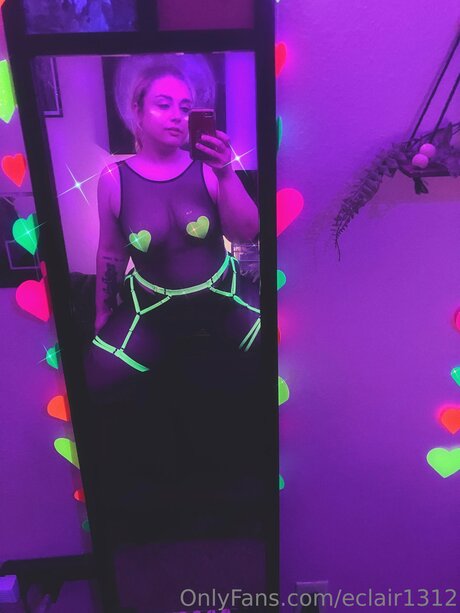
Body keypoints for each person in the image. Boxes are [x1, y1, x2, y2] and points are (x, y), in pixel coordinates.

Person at [83, 63, 261, 407]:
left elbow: (248, 233)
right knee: (97, 371)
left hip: (224, 293)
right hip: (150, 304)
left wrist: (226, 173)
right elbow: (111, 252)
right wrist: (102, 312)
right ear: (137, 110)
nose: (177, 116)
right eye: (164, 105)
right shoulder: (113, 179)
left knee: (278, 350)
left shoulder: (209, 168)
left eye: (185, 107)